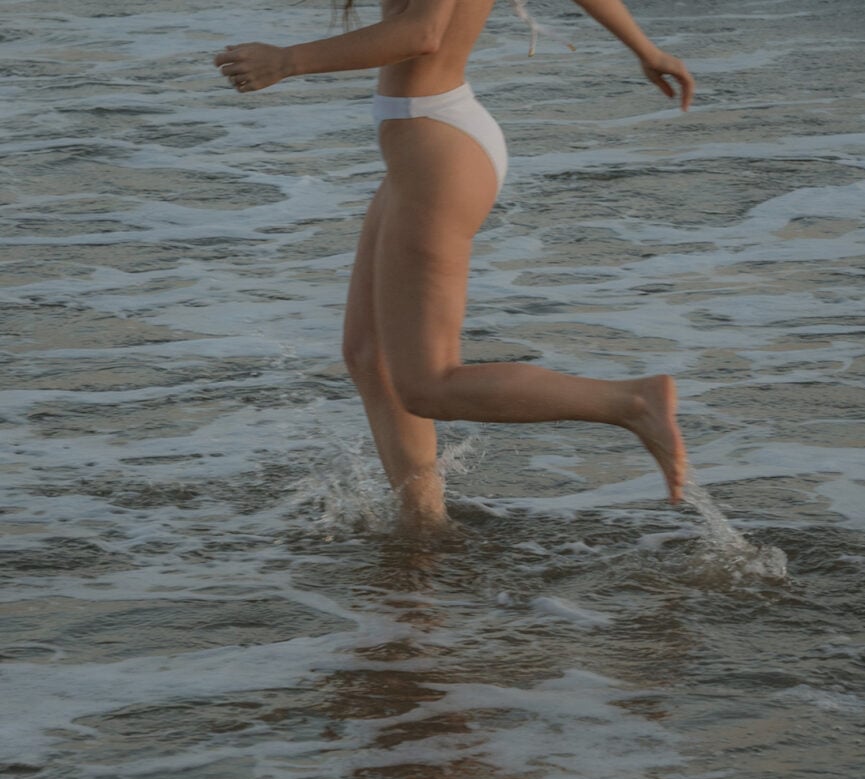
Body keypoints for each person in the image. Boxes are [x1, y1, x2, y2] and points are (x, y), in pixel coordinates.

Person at [215, 0, 695, 531]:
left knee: (428, 385)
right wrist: (645, 48)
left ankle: (630, 401)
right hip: (422, 141)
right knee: (368, 353)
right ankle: (423, 522)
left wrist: (287, 61)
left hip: (439, 150)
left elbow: (422, 33)